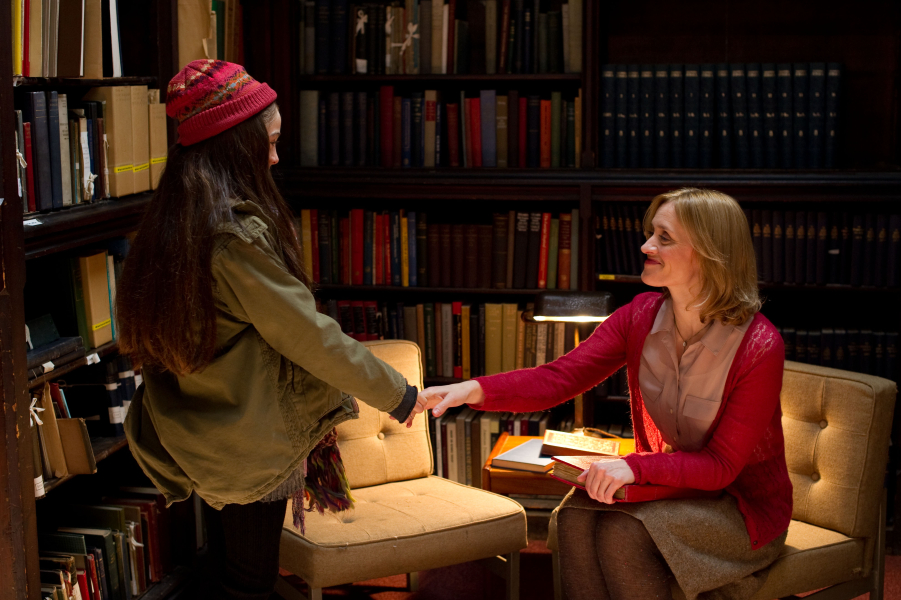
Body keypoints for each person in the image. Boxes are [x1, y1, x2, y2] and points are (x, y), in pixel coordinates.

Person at [117, 60, 419, 600]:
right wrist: (398, 394)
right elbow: (308, 336)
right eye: (270, 142)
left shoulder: (174, 221)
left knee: (226, 567)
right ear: (235, 144)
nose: (276, 157)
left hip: (203, 430)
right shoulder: (233, 236)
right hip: (251, 437)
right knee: (249, 580)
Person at [413, 188, 791, 600]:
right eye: (651, 234)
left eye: (664, 238)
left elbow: (721, 467)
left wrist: (634, 467)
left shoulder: (759, 345)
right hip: (672, 487)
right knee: (574, 517)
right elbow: (559, 378)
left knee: (622, 534)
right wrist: (470, 389)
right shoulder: (639, 316)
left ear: (709, 253)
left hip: (739, 508)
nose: (646, 246)